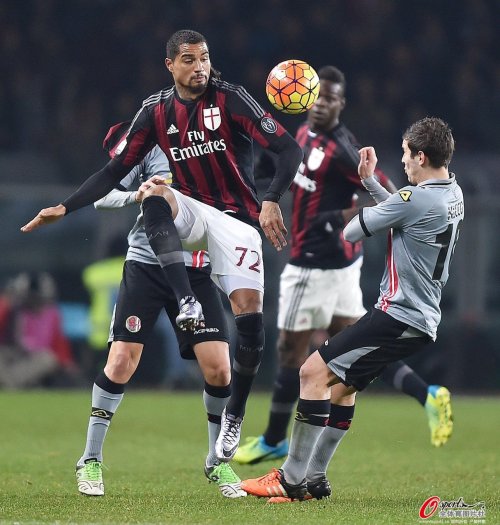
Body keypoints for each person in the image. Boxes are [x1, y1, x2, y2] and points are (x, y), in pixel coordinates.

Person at [21, 29, 303, 462]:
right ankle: (186, 301)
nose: (200, 67)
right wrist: (66, 205)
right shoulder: (155, 112)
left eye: (205, 58)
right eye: (189, 60)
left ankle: (235, 417)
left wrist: (270, 200)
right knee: (155, 191)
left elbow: (287, 150)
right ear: (170, 65)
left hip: (234, 223)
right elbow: (115, 170)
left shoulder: (232, 99)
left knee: (249, 325)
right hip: (189, 212)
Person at [234, 67, 453, 465]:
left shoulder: (344, 149)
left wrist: (333, 219)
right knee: (357, 356)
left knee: (294, 353)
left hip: (315, 262)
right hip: (346, 270)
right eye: (316, 96)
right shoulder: (301, 136)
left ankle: (274, 442)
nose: (320, 104)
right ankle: (427, 394)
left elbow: (395, 203)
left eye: (329, 98)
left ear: (341, 104)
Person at [75, 142, 246, 498]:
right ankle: (90, 458)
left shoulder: (218, 147)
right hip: (146, 267)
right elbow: (101, 196)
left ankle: (216, 461)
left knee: (219, 369)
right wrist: (134, 196)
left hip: (197, 271)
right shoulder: (150, 146)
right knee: (121, 361)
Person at [0, 272, 81, 389]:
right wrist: (6, 304)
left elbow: (58, 342)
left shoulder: (52, 314)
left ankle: (9, 384)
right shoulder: (10, 308)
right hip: (6, 353)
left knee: (49, 359)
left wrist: (67, 362)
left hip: (31, 357)